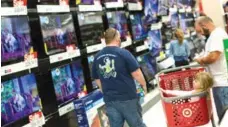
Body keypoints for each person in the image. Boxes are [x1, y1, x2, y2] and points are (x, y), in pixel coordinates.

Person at [92, 28, 147, 127]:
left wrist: (104, 90)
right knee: (137, 125)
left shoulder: (97, 57)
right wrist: (144, 85)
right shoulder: (124, 53)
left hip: (110, 100)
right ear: (117, 38)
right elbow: (137, 73)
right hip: (128, 98)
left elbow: (97, 79)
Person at [194, 16, 228, 121]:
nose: (201, 34)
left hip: (221, 84)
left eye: (200, 31)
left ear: (204, 25)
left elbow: (213, 56)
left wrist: (201, 60)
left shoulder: (216, 35)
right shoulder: (218, 33)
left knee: (224, 118)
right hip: (221, 82)